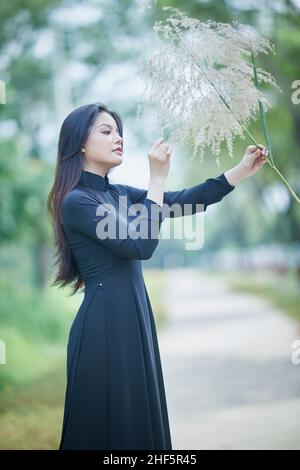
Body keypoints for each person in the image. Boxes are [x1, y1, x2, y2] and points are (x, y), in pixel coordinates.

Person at [47, 102, 268, 450]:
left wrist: (238, 172)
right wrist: (156, 180)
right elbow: (140, 245)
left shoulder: (117, 194)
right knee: (107, 430)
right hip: (103, 330)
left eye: (119, 131)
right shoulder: (77, 202)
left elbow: (181, 202)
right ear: (81, 145)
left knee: (137, 426)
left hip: (134, 319)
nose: (118, 138)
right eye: (106, 131)